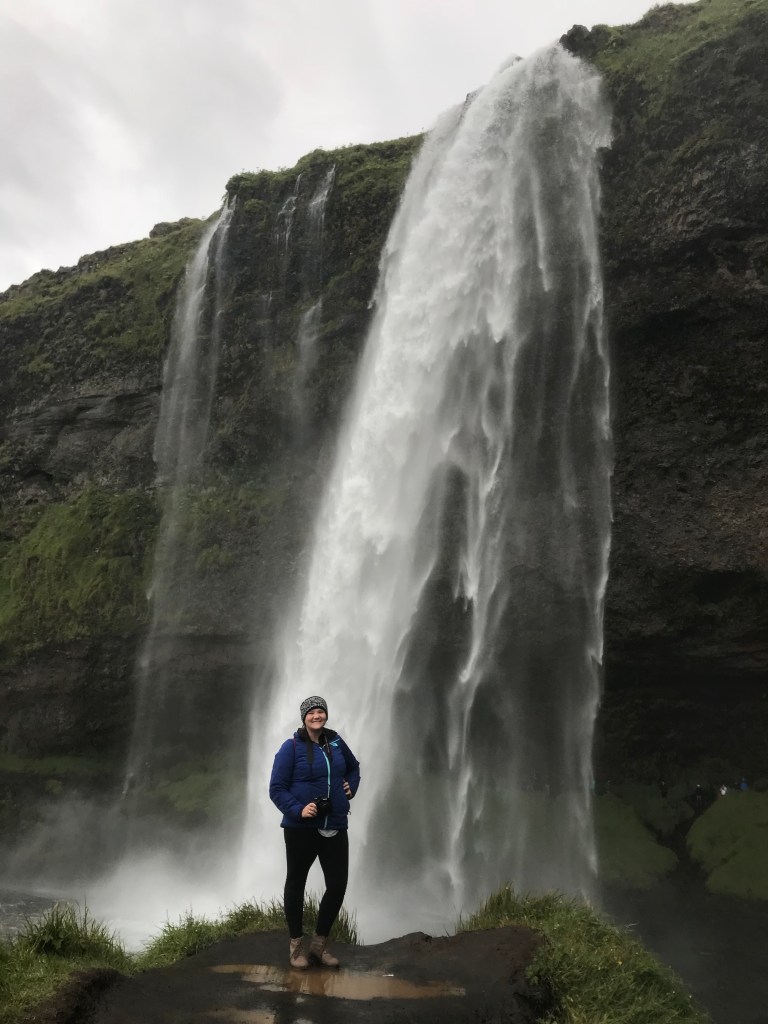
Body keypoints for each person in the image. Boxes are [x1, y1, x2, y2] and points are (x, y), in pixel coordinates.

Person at [269, 695, 360, 970]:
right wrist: (298, 810)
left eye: (320, 711)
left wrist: (350, 787)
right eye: (311, 712)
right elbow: (276, 788)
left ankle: (319, 947)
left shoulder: (336, 742)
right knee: (296, 883)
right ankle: (296, 947)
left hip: (334, 823)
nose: (316, 716)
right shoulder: (291, 747)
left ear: (326, 715)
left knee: (337, 884)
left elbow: (354, 768)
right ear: (304, 718)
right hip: (300, 828)